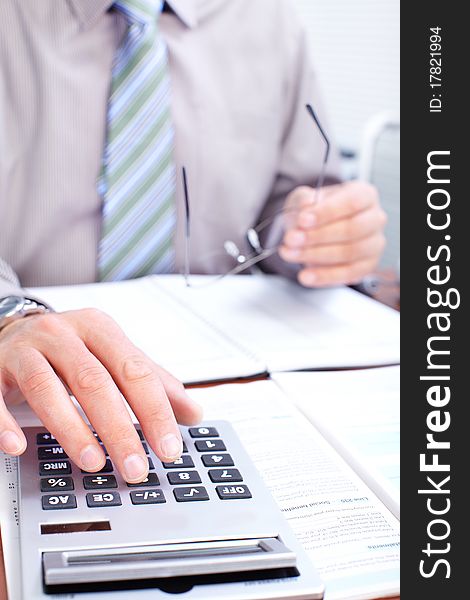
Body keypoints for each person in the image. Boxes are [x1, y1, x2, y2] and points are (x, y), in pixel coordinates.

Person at [0, 0, 387, 483]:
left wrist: (318, 236)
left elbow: (294, 197)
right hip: (31, 374)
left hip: (236, 375)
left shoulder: (268, 19)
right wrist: (10, 315)